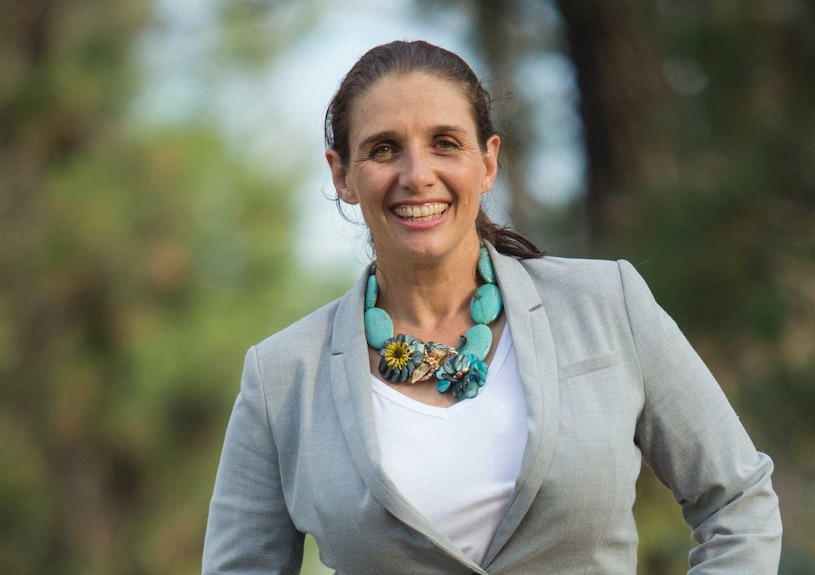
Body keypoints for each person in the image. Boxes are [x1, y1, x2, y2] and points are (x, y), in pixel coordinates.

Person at [202, 40, 782, 574]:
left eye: (445, 143)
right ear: (343, 175)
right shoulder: (281, 378)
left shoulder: (608, 305)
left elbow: (737, 502)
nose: (417, 174)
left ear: (487, 162)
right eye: (383, 149)